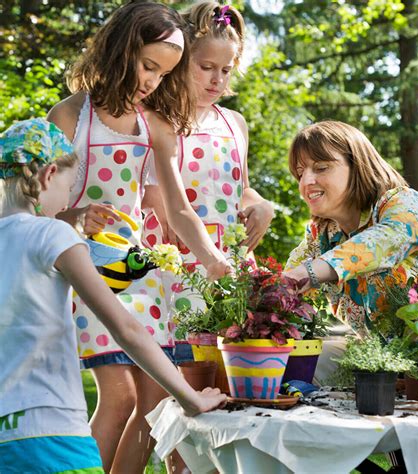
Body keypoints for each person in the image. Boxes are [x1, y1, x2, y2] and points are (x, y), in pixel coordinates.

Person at [46, 2, 231, 471]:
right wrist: (76, 214)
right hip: (84, 269)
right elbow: (39, 211)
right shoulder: (71, 117)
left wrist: (210, 257)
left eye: (163, 73)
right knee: (121, 394)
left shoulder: (157, 125)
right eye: (148, 65)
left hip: (139, 272)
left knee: (155, 400)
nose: (151, 81)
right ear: (119, 50)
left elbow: (179, 209)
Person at [0, 119, 226, 474]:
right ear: (48, 175)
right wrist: (191, 397)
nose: (65, 203)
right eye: (68, 187)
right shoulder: (52, 234)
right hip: (53, 437)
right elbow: (126, 329)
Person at [142, 0, 274, 351]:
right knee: (177, 370)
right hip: (172, 262)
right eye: (206, 67)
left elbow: (239, 189)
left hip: (229, 264)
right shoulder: (156, 119)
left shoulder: (235, 124)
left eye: (226, 70)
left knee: (227, 369)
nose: (217, 79)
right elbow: (142, 190)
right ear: (182, 61)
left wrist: (261, 205)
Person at [283, 120, 418, 341]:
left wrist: (311, 272)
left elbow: (382, 241)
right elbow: (285, 286)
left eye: (321, 167)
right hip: (384, 369)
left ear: (357, 166)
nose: (306, 181)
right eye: (299, 172)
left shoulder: (406, 205)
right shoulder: (322, 236)